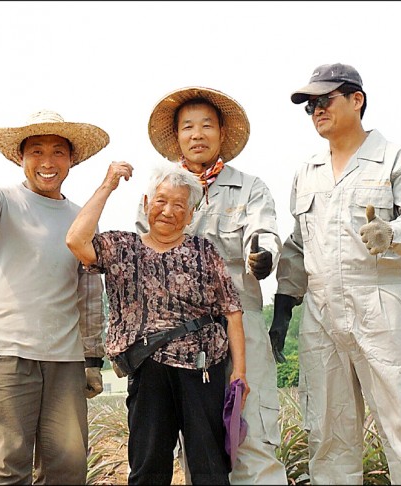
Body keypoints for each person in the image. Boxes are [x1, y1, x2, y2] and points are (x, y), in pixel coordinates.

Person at [272, 63, 401, 485]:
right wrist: (283, 307)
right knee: (328, 435)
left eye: (324, 101)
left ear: (356, 99)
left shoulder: (395, 159)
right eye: (310, 106)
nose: (316, 111)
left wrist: (392, 232)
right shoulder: (306, 171)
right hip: (321, 316)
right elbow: (297, 245)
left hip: (381, 305)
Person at [0, 109, 109, 484]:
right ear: (20, 158)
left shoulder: (83, 218)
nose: (48, 163)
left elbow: (91, 292)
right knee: (5, 467)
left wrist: (92, 357)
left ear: (72, 159)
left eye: (58, 152)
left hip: (64, 360)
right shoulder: (0, 199)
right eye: (36, 151)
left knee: (67, 469)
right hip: (6, 354)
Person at [66, 161, 250, 485]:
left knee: (210, 466)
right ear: (146, 203)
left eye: (180, 205)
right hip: (147, 369)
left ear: (191, 215)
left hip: (202, 369)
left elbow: (232, 311)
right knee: (148, 467)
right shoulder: (122, 247)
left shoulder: (203, 252)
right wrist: (108, 184)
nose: (169, 211)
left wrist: (240, 374)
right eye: (161, 201)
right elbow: (76, 241)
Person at [138, 86, 287, 485]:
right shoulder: (157, 193)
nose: (197, 134)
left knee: (252, 431)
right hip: (181, 337)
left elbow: (264, 232)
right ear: (177, 137)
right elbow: (140, 254)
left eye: (207, 125)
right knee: (199, 442)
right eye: (188, 126)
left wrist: (263, 254)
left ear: (222, 133)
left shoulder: (251, 188)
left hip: (242, 326)